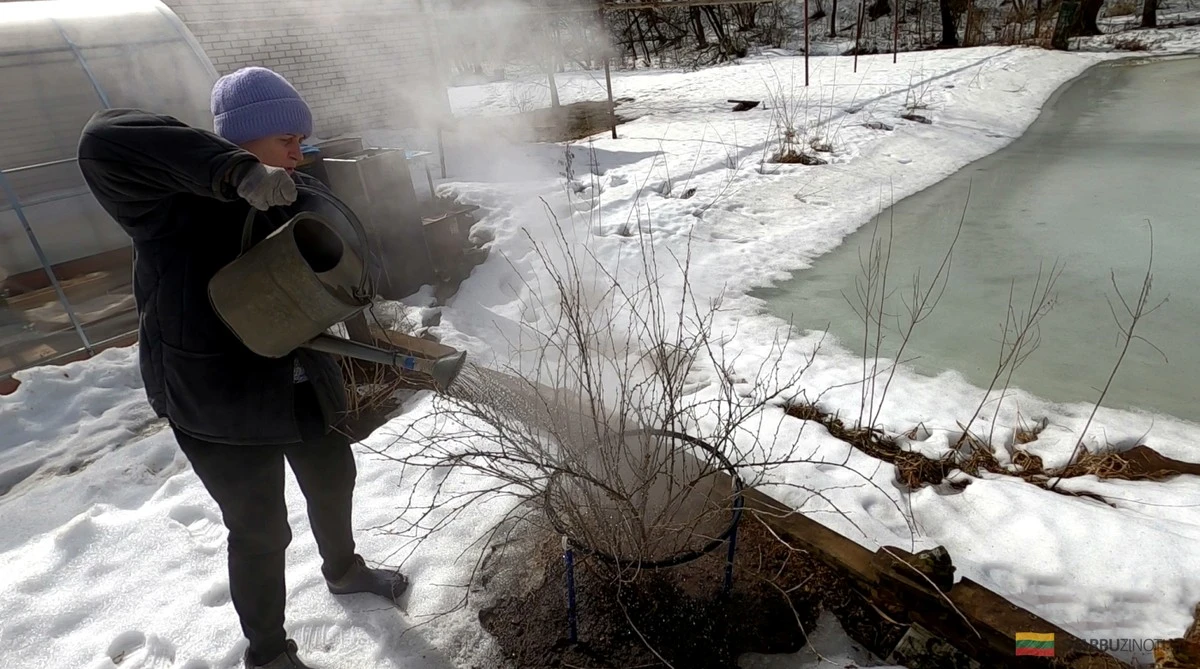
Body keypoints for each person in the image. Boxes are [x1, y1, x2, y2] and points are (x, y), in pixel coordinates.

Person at [76, 66, 407, 669]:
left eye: (301, 142)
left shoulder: (290, 191)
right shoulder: (164, 204)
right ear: (241, 139)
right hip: (217, 396)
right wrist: (234, 173)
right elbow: (103, 137)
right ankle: (267, 652)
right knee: (259, 529)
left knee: (334, 477)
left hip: (298, 378)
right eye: (287, 141)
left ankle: (343, 570)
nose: (298, 154)